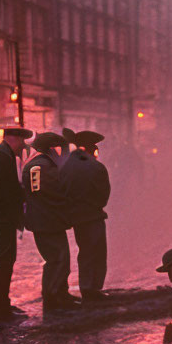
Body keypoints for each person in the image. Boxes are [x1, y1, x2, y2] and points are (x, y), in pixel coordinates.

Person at [23, 131, 79, 310]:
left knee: (59, 258)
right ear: (51, 148)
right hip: (48, 220)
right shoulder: (43, 166)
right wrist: (67, 200)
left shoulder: (36, 164)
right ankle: (54, 298)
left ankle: (60, 294)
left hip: (45, 220)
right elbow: (49, 192)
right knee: (57, 259)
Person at [0, 126, 33, 322]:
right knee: (4, 261)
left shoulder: (3, 155)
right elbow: (0, 189)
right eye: (21, 142)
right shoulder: (1, 157)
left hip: (4, 216)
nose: (22, 147)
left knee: (7, 260)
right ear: (14, 139)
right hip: (4, 217)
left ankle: (3, 304)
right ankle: (0, 309)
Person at [60, 128, 111, 302]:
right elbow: (103, 196)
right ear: (92, 147)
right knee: (97, 253)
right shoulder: (96, 166)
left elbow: (62, 190)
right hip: (93, 216)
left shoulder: (67, 165)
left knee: (85, 253)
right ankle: (93, 289)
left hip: (76, 217)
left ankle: (86, 287)